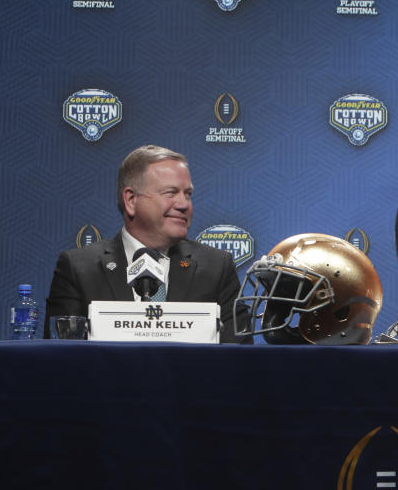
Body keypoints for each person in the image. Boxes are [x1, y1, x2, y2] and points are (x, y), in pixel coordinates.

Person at [44, 144, 250, 343]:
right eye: (170, 193)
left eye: (188, 194)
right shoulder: (79, 268)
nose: (184, 204)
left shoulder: (216, 267)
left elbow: (237, 356)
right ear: (131, 200)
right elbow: (62, 357)